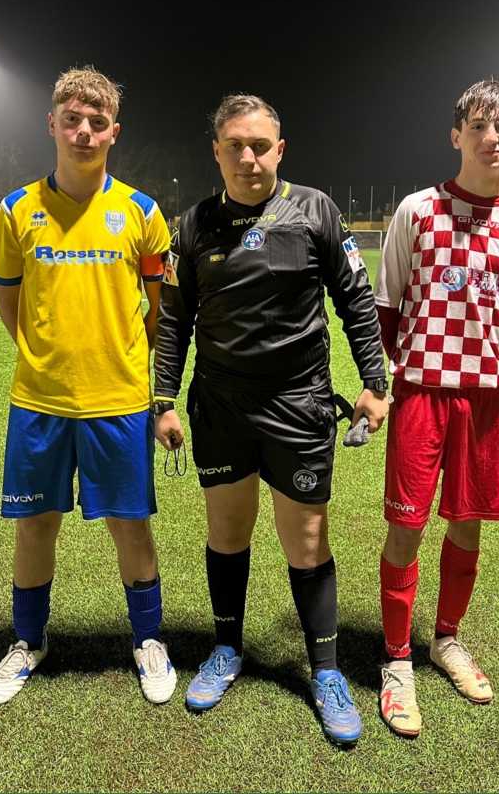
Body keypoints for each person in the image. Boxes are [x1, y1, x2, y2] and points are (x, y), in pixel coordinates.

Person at [152, 94, 389, 743]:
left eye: (260, 145)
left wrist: (375, 384)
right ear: (217, 151)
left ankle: (326, 670)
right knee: (227, 532)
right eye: (235, 145)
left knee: (306, 541)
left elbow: (356, 301)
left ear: (279, 150)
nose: (248, 157)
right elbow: (173, 322)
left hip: (298, 405)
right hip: (221, 406)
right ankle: (227, 649)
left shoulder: (315, 211)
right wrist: (163, 401)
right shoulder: (193, 225)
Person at [0, 66, 176, 706]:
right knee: (35, 525)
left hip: (119, 401)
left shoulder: (142, 213)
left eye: (97, 122)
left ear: (114, 132)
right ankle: (28, 641)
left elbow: (158, 311)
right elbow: (10, 305)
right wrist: (46, 355)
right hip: (39, 401)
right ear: (53, 124)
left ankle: (148, 641)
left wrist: (117, 360)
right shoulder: (16, 210)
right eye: (72, 119)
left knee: (131, 526)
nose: (84, 132)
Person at [374, 79, 499, 737]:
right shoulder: (417, 210)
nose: (490, 138)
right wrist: (419, 363)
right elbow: (387, 306)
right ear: (457, 135)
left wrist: (479, 358)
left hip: (489, 396)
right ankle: (397, 658)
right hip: (422, 391)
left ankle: (446, 639)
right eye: (478, 126)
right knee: (407, 525)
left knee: (468, 522)